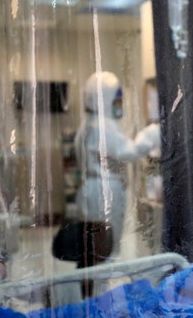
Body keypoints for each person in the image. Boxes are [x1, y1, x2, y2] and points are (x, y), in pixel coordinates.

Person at [72, 71, 161, 261]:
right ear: (103, 99)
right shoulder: (101, 126)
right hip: (104, 192)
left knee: (96, 247)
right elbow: (127, 152)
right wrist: (153, 133)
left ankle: (97, 284)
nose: (119, 105)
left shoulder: (89, 124)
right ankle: (103, 286)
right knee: (106, 248)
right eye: (116, 100)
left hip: (93, 190)